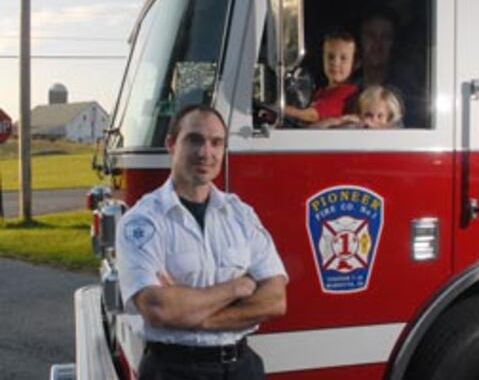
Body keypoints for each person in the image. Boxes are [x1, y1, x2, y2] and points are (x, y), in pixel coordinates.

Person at [116, 104, 288, 380]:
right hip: (174, 370)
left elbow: (276, 300)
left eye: (216, 142)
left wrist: (195, 316)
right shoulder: (142, 222)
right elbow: (158, 308)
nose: (205, 153)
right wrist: (238, 287)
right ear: (172, 144)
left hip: (242, 367)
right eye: (194, 140)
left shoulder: (241, 215)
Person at [358, 10, 427, 128]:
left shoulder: (408, 96)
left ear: (394, 43)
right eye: (370, 36)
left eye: (386, 37)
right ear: (360, 41)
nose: (377, 44)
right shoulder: (346, 91)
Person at [284, 30, 359, 124]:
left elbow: (313, 115)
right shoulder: (321, 92)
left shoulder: (346, 92)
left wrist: (281, 109)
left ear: (355, 63)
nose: (335, 63)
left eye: (343, 58)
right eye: (330, 57)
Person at [314, 85, 403, 129]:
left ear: (388, 118)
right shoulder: (353, 128)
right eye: (368, 115)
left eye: (380, 116)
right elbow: (311, 131)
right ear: (360, 113)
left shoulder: (395, 134)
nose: (374, 120)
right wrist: (341, 121)